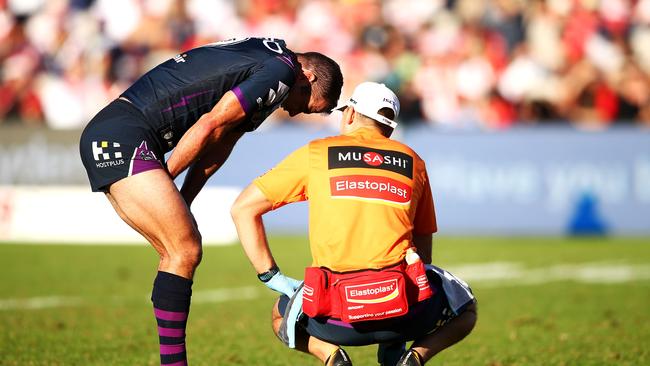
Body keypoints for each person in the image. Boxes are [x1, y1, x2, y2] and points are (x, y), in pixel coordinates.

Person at [78, 37, 343, 365]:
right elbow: (209, 124)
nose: (295, 111)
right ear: (309, 76)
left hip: (120, 132)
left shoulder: (270, 64)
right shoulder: (283, 71)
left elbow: (221, 140)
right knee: (184, 250)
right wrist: (169, 180)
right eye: (305, 103)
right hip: (122, 136)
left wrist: (183, 198)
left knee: (177, 253)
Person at [231, 82, 477, 366]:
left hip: (335, 319)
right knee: (466, 307)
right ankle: (414, 357)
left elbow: (243, 209)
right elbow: (423, 255)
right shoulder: (413, 162)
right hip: (402, 315)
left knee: (279, 313)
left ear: (349, 114)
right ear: (390, 128)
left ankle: (330, 355)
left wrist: (270, 275)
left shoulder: (318, 153)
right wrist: (394, 330)